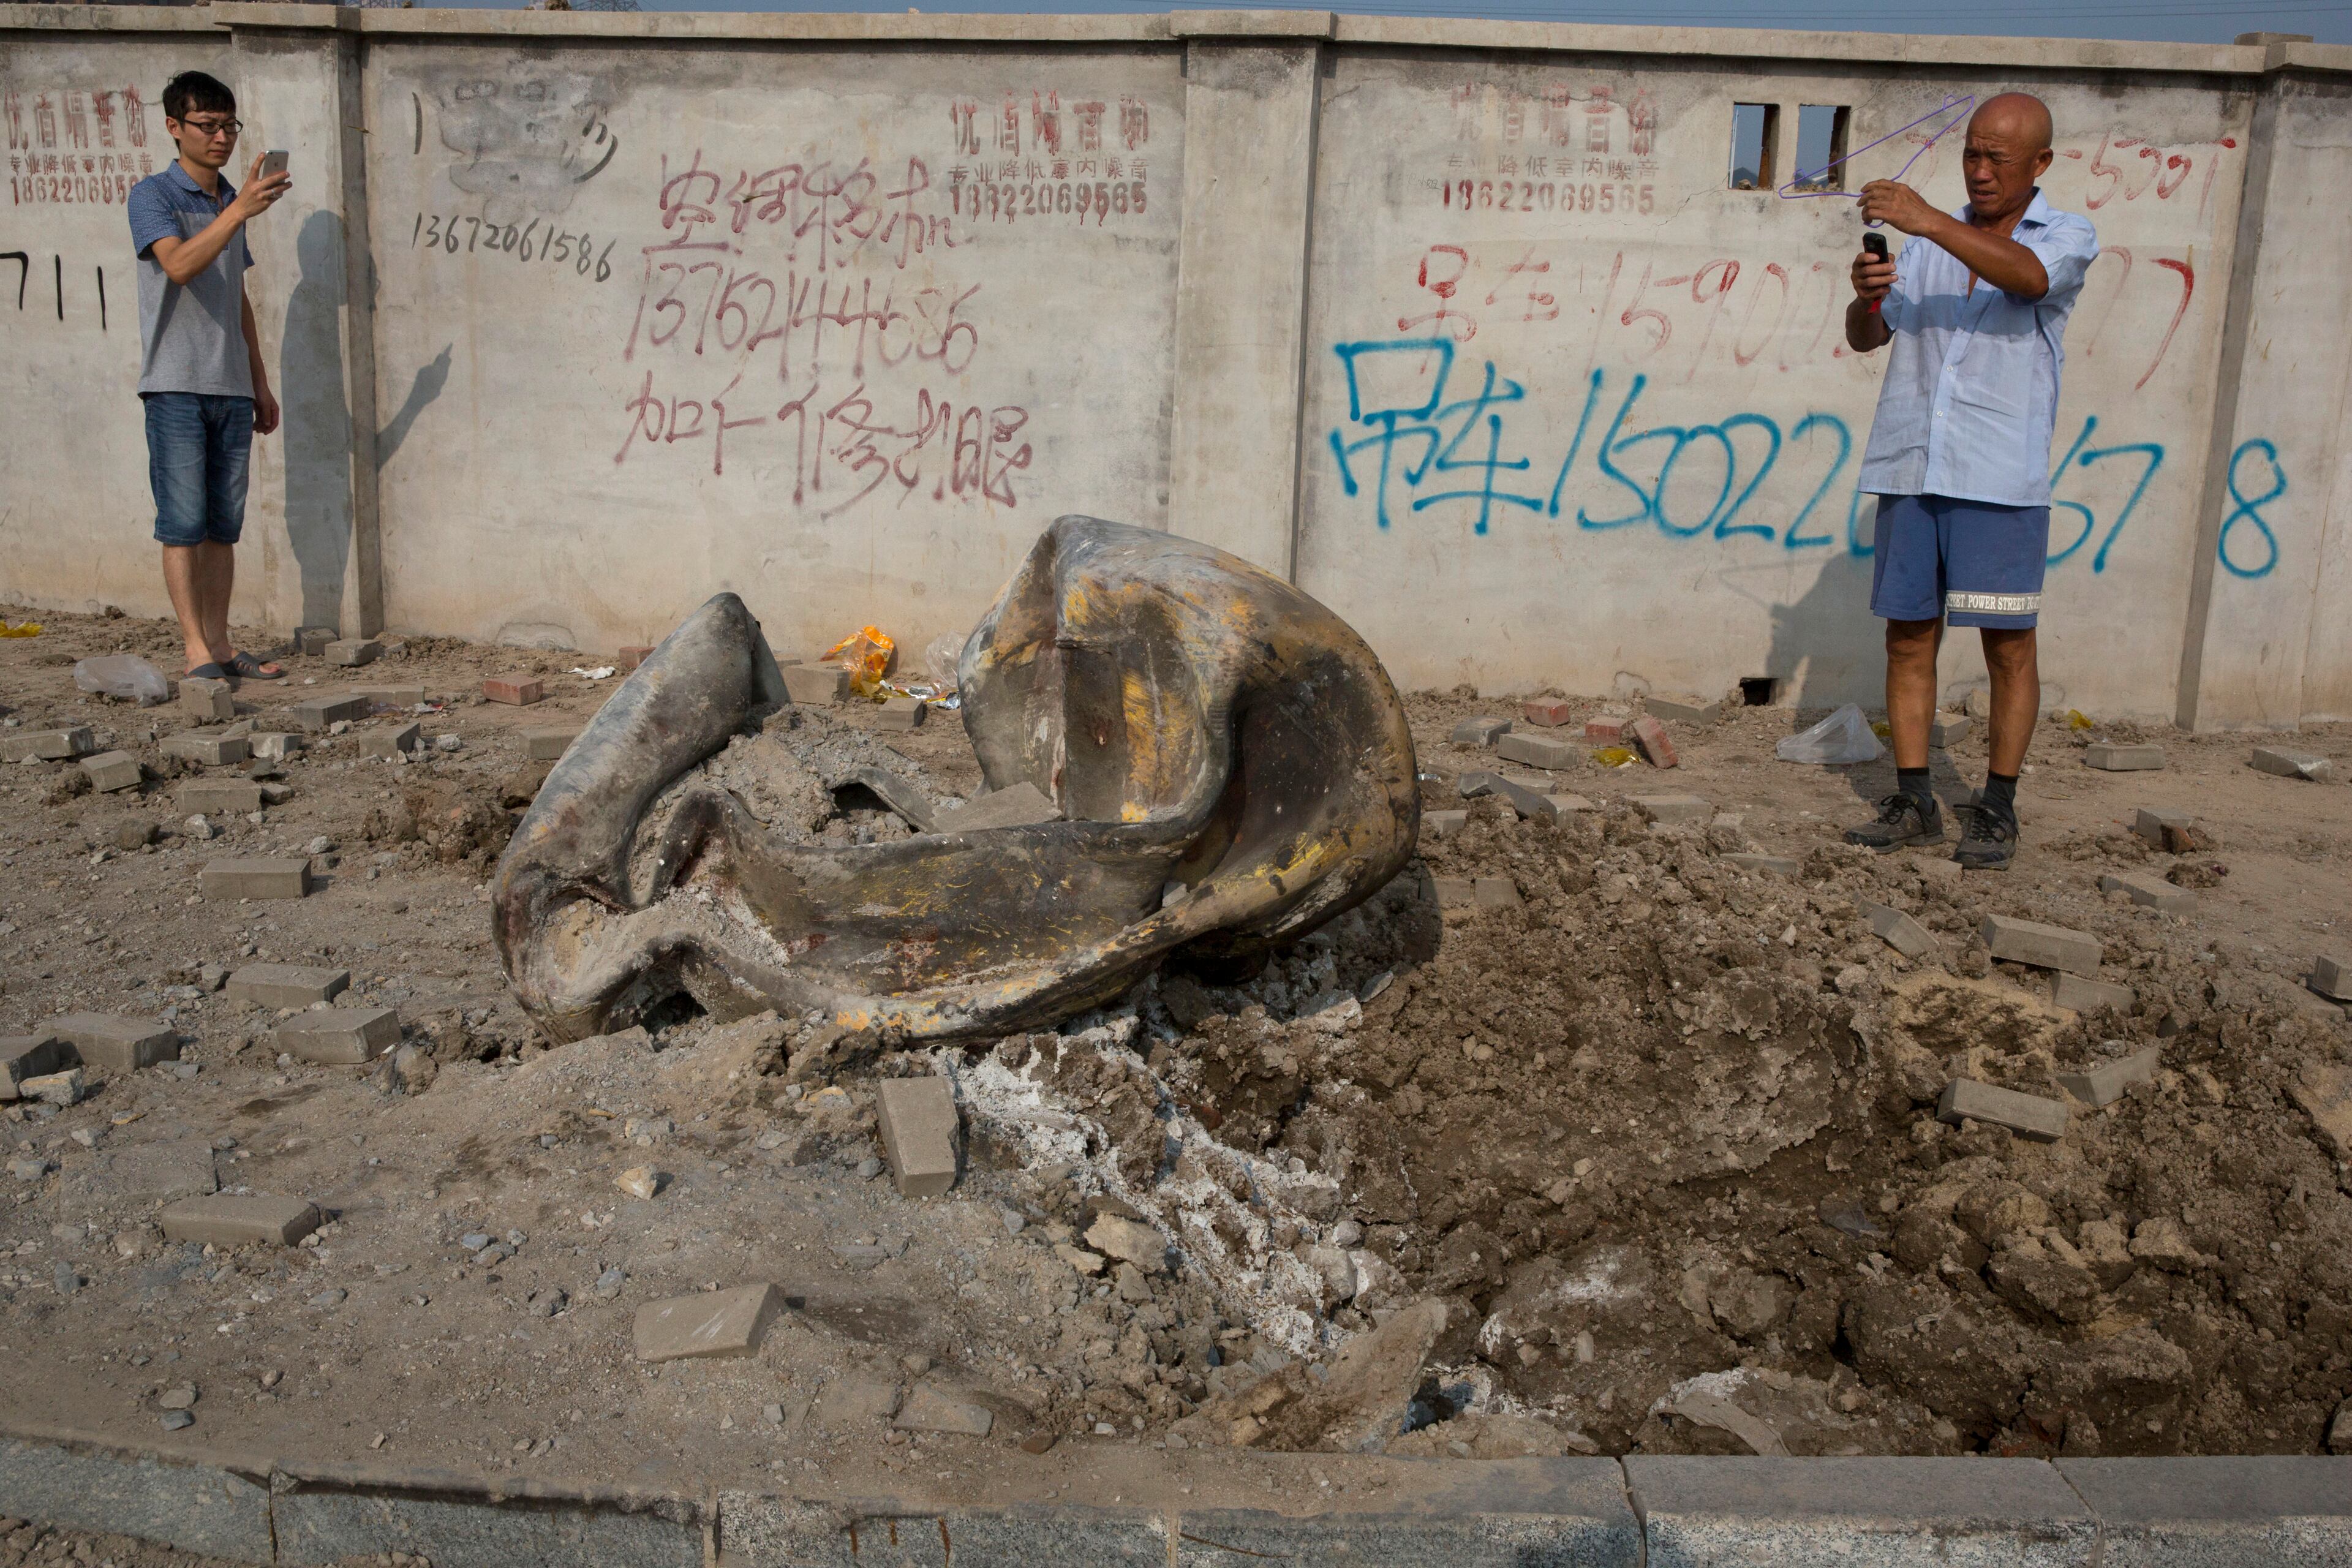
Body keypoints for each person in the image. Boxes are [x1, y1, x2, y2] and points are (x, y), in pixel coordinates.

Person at [1841, 92, 2097, 871]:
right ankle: (1914, 794)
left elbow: (2024, 278)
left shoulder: (2066, 236)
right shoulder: (1923, 241)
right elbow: (1864, 339)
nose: (1980, 172)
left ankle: (1998, 804)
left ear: (2040, 165)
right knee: (1908, 636)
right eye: (1972, 156)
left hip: (1998, 473)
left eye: (1998, 159)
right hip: (1912, 460)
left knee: (2008, 646)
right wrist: (1867, 295)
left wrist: (1927, 220)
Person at [127, 70, 292, 684]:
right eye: (208, 125)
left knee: (224, 525)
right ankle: (195, 649)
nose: (221, 137)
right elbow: (179, 265)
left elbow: (235, 294)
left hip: (230, 384)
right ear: (175, 127)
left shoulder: (230, 198)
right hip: (174, 381)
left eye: (229, 125)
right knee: (183, 521)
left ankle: (221, 645)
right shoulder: (153, 196)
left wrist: (260, 379)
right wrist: (238, 211)